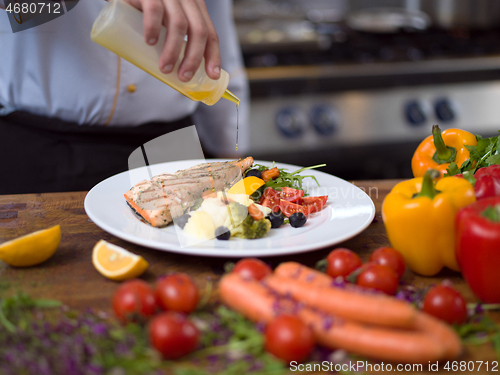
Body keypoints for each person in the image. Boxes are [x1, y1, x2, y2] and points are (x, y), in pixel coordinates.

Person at [0, 0, 249, 194]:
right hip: (42, 152)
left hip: (173, 149)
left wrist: (230, 154)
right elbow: (14, 9)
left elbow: (213, 28)